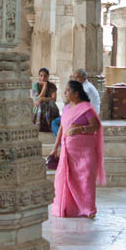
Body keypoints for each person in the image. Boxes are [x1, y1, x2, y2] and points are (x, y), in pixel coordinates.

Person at [50, 80, 106, 218]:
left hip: (85, 152)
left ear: (76, 93)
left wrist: (80, 129)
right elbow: (62, 129)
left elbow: (95, 126)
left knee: (85, 180)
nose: (65, 93)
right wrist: (55, 148)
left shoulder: (86, 108)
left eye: (68, 90)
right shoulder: (66, 108)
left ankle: (88, 209)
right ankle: (69, 208)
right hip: (68, 152)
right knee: (67, 179)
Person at [32, 68, 60, 133]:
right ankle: (40, 126)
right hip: (39, 106)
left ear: (48, 77)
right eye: (41, 75)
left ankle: (51, 126)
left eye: (45, 76)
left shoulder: (52, 86)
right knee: (40, 105)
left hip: (50, 106)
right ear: (38, 76)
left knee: (51, 104)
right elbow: (37, 99)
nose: (43, 78)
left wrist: (43, 99)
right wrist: (44, 86)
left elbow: (54, 99)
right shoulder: (35, 85)